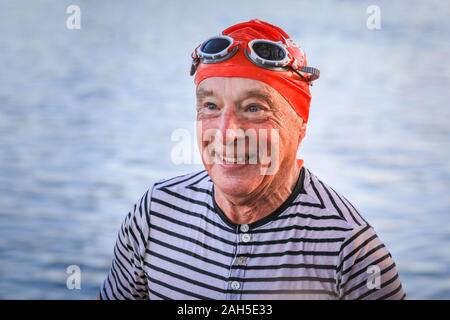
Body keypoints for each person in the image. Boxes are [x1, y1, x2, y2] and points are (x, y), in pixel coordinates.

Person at [99, 19, 405, 300]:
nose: (227, 133)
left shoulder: (349, 247)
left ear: (300, 124)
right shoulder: (155, 215)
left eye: (254, 108)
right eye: (210, 105)